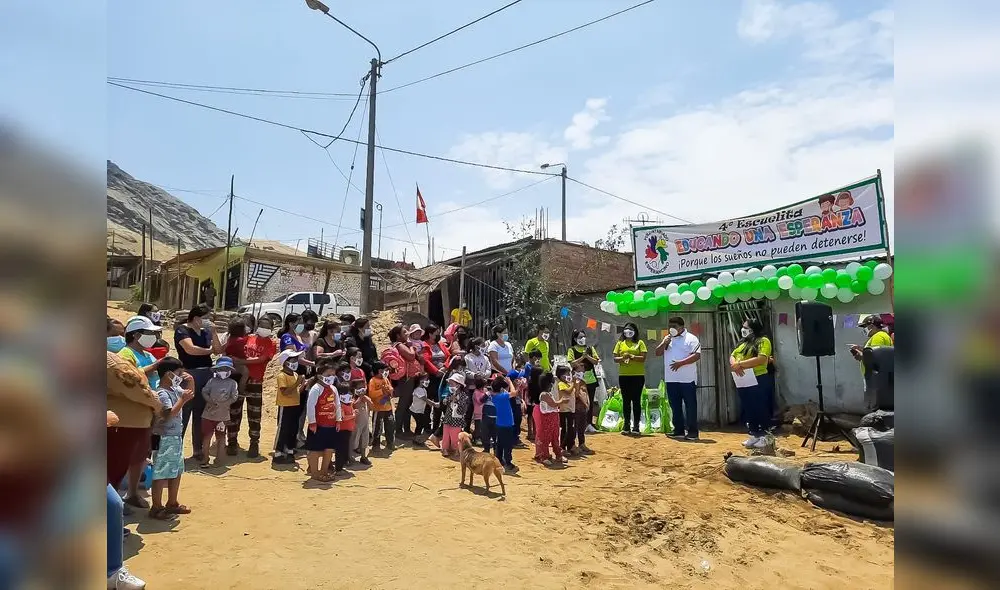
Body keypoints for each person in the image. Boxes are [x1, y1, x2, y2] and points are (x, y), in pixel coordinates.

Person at [117, 315, 162, 510]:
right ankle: (118, 497)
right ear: (136, 335)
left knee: (141, 454)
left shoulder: (148, 354)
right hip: (132, 411)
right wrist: (156, 366)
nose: (153, 337)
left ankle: (133, 492)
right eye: (149, 333)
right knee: (124, 454)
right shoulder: (126, 354)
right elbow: (129, 378)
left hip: (149, 409)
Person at [106, 351, 162, 504]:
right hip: (122, 427)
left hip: (124, 425)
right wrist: (158, 405)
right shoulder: (111, 361)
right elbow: (137, 388)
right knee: (112, 476)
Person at [174, 304, 223, 460]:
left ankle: (198, 449)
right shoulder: (182, 330)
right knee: (184, 412)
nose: (208, 321)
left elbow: (218, 349)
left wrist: (214, 332)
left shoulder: (206, 332)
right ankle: (175, 450)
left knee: (201, 413)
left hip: (206, 373)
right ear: (196, 318)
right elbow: (190, 349)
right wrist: (210, 351)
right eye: (206, 318)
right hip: (189, 374)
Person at [149, 357, 194, 519]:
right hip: (164, 437)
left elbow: (190, 395)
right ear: (168, 374)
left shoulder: (174, 390)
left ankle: (172, 503)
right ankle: (156, 506)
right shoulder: (162, 393)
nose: (181, 376)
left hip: (174, 437)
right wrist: (182, 400)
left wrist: (191, 382)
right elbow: (167, 415)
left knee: (175, 471)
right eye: (178, 373)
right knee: (161, 473)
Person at [231, 316, 277, 458]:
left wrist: (240, 361)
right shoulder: (247, 338)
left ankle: (254, 442)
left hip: (256, 380)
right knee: (234, 411)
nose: (264, 327)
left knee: (255, 413)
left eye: (267, 325)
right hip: (238, 378)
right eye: (262, 324)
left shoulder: (272, 343)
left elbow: (261, 359)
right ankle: (232, 441)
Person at [655, 316, 702, 441]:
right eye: (670, 326)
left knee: (690, 405)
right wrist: (664, 342)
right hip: (671, 379)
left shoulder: (691, 338)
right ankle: (678, 430)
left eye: (674, 326)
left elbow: (697, 355)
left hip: (687, 379)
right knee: (675, 406)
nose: (671, 329)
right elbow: (657, 353)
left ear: (681, 327)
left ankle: (692, 432)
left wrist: (680, 363)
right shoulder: (668, 339)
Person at [730, 318, 773, 449]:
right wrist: (734, 365)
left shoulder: (763, 341)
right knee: (748, 407)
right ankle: (754, 434)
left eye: (745, 327)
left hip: (758, 378)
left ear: (753, 328)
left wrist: (740, 364)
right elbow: (732, 355)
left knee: (760, 406)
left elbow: (761, 358)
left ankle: (766, 436)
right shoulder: (743, 344)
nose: (743, 329)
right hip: (743, 379)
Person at [200, 356, 239, 468]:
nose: (223, 371)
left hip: (223, 417)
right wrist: (210, 401)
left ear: (230, 370)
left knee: (221, 437)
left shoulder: (232, 383)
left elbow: (234, 396)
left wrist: (225, 403)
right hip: (208, 415)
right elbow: (205, 392)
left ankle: (219, 459)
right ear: (216, 370)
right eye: (221, 369)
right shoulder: (211, 381)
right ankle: (205, 458)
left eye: (226, 369)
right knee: (207, 437)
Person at [305, 361, 340, 482]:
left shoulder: (333, 389)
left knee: (329, 449)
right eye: (328, 374)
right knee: (315, 449)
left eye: (333, 374)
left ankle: (324, 471)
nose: (331, 377)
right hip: (318, 425)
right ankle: (315, 473)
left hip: (331, 424)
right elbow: (310, 406)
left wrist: (338, 419)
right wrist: (312, 422)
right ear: (320, 375)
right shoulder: (315, 389)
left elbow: (337, 405)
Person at [613, 322, 647, 435]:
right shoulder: (620, 343)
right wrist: (623, 358)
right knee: (626, 401)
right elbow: (615, 359)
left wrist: (632, 356)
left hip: (637, 376)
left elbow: (643, 358)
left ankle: (636, 426)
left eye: (631, 329)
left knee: (636, 401)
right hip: (624, 376)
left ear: (635, 331)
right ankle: (626, 425)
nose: (628, 331)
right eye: (626, 329)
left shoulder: (640, 343)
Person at [272, 350, 304, 465]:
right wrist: (297, 383)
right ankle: (278, 453)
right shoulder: (282, 376)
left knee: (293, 429)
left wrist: (303, 384)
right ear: (285, 362)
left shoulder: (295, 375)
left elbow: (296, 391)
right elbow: (285, 392)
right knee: (283, 429)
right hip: (285, 406)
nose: (295, 362)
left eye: (296, 360)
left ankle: (290, 450)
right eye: (293, 360)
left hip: (295, 405)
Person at [389, 324, 422, 436]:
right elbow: (411, 356)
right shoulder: (399, 345)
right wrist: (411, 346)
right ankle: (398, 430)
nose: (407, 334)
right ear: (398, 336)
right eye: (404, 332)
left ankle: (406, 429)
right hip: (405, 378)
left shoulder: (403, 344)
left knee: (408, 403)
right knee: (403, 404)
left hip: (410, 377)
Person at [566, 329, 601, 433]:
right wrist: (582, 357)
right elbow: (572, 364)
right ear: (575, 339)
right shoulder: (571, 350)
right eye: (580, 337)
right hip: (578, 379)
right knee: (578, 401)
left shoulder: (590, 348)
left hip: (590, 378)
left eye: (584, 336)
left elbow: (596, 361)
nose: (583, 339)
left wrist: (587, 356)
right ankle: (578, 423)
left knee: (589, 402)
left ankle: (589, 423)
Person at [420, 323, 451, 435]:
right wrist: (436, 371)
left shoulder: (440, 344)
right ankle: (427, 425)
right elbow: (426, 360)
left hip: (442, 376)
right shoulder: (424, 345)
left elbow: (448, 356)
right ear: (429, 333)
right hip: (431, 377)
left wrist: (444, 367)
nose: (438, 335)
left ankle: (436, 427)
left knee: (439, 401)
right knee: (429, 401)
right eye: (436, 333)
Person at [533, 372, 564, 466]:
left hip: (553, 416)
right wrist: (562, 400)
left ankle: (558, 454)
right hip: (547, 418)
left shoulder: (548, 394)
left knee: (555, 436)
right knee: (545, 437)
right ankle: (544, 456)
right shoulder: (544, 394)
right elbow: (553, 404)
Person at [332, 362, 357, 475]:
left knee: (344, 448)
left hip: (348, 430)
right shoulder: (340, 405)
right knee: (339, 449)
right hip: (341, 430)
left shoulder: (349, 403)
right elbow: (342, 417)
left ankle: (341, 465)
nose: (349, 395)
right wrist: (353, 415)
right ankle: (338, 468)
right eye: (346, 394)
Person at [490, 375, 518, 473]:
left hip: (499, 424)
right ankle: (508, 462)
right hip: (506, 424)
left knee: (500, 444)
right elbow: (514, 393)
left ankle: (499, 461)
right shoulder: (502, 396)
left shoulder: (495, 396)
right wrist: (510, 382)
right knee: (507, 444)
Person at [440, 372, 469, 457]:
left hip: (457, 419)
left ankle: (456, 449)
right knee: (445, 434)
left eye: (452, 384)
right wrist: (450, 399)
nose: (450, 386)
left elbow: (463, 407)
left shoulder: (463, 395)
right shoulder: (450, 393)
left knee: (455, 436)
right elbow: (444, 402)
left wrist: (456, 400)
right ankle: (444, 448)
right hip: (448, 417)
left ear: (458, 385)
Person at [369, 361, 396, 453]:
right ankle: (375, 444)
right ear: (380, 371)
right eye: (385, 370)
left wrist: (389, 391)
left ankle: (390, 442)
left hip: (388, 407)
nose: (387, 372)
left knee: (390, 426)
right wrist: (382, 391)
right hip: (378, 409)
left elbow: (390, 390)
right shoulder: (372, 381)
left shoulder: (386, 379)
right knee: (377, 427)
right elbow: (371, 394)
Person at [556, 365, 581, 457]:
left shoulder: (569, 384)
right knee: (565, 430)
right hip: (564, 411)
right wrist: (573, 383)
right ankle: (562, 447)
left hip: (571, 410)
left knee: (571, 430)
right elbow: (568, 391)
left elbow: (576, 393)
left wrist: (576, 384)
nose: (568, 375)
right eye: (567, 373)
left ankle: (570, 446)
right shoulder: (561, 384)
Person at [350, 376, 373, 465]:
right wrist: (360, 399)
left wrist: (368, 401)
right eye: (359, 388)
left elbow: (372, 407)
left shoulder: (366, 398)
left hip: (365, 423)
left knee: (364, 440)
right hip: (355, 424)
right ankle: (350, 457)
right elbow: (353, 406)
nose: (362, 389)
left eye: (363, 387)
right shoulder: (352, 398)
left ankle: (363, 457)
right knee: (353, 440)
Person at [409, 376, 436, 446]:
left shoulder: (423, 389)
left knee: (420, 424)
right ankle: (417, 439)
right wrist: (435, 404)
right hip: (416, 410)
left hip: (419, 410)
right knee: (420, 424)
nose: (428, 381)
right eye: (426, 379)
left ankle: (416, 438)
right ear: (420, 381)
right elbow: (425, 399)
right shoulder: (418, 390)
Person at [473, 376, 495, 453]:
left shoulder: (484, 391)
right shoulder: (476, 392)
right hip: (478, 413)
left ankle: (484, 440)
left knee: (483, 428)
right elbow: (480, 401)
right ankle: (476, 438)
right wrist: (485, 395)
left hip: (484, 413)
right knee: (479, 427)